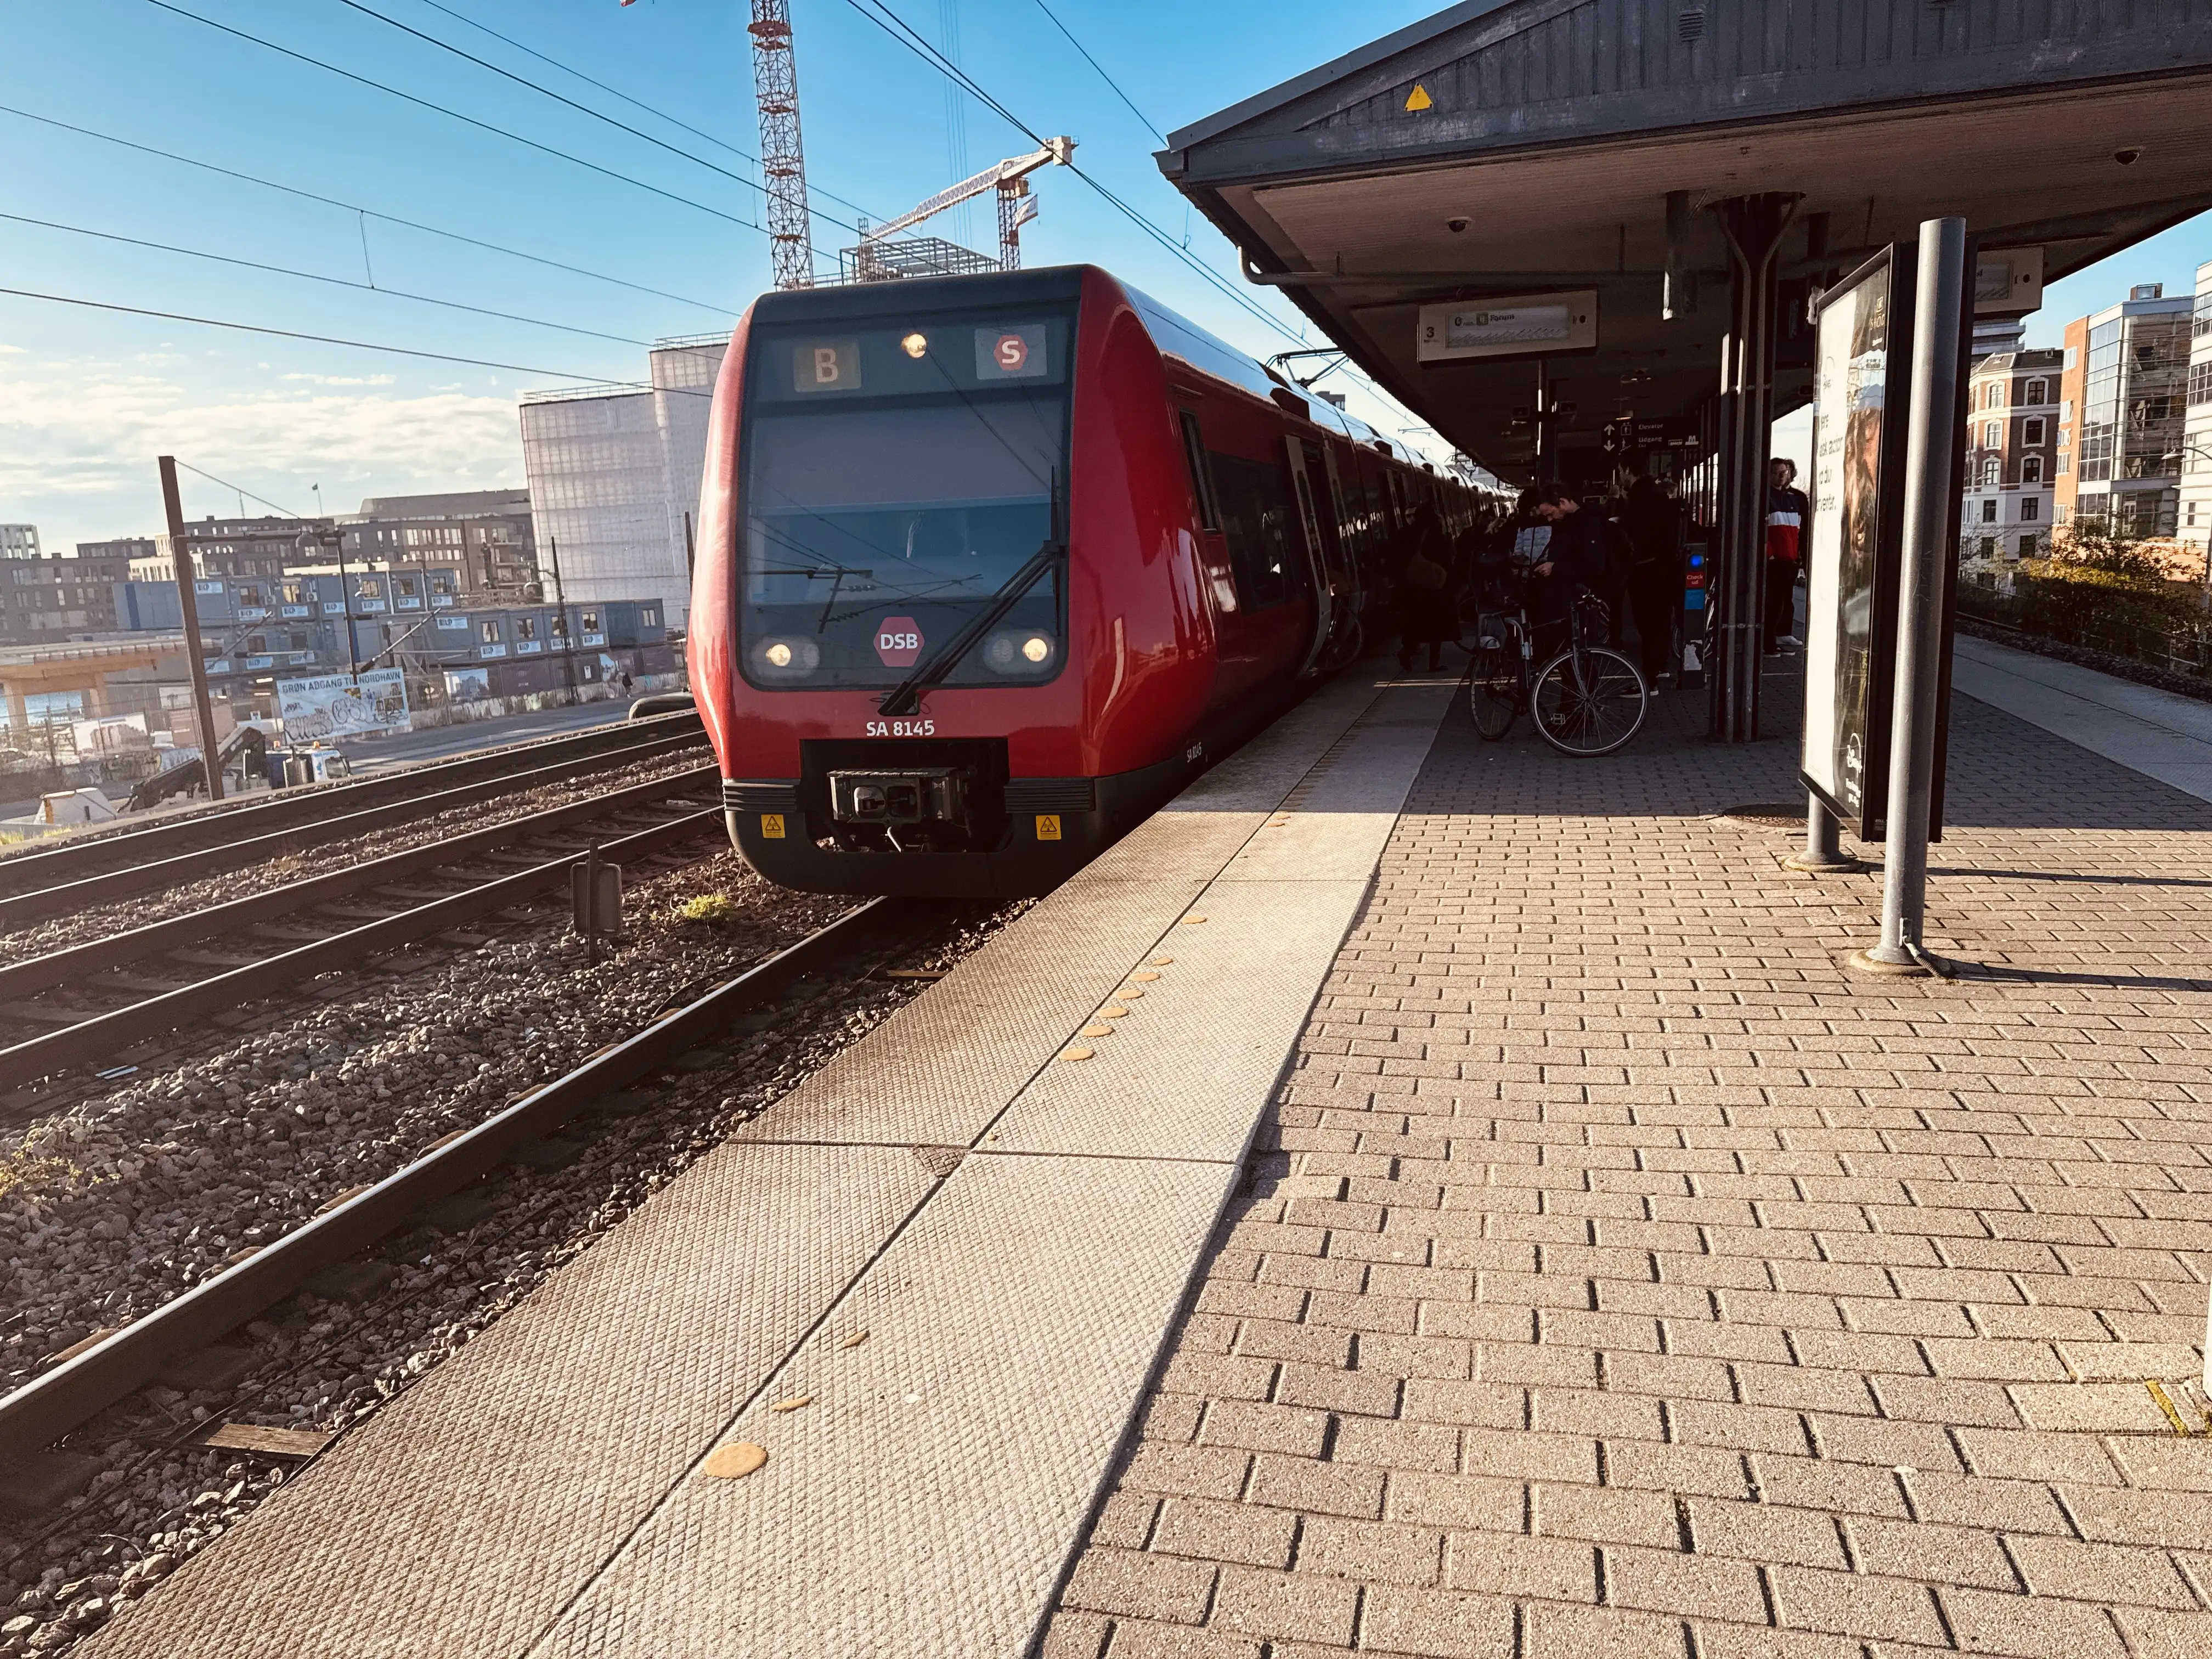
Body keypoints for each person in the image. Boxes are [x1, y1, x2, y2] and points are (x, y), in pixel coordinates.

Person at [1523, 483, 1620, 644]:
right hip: (1566, 599)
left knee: (1580, 649)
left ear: (1562, 503)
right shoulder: (1565, 523)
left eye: (1551, 514)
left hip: (1579, 600)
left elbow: (1593, 566)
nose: (1549, 520)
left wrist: (1555, 568)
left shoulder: (1589, 524)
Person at [1619, 456, 1684, 692]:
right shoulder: (1658, 496)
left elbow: (1633, 533)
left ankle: (1649, 681)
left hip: (1647, 570)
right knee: (1660, 622)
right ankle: (1659, 668)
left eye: (1620, 471)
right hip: (1664, 569)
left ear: (1627, 469)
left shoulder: (1639, 498)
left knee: (1648, 624)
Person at [1394, 498, 1457, 672]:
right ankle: (1434, 663)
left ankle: (1407, 651)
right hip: (1434, 586)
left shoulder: (1404, 534)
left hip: (1413, 586)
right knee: (1436, 625)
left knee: (1415, 622)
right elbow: (1447, 555)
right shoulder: (1434, 532)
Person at [1765, 457, 1811, 653]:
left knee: (1784, 600)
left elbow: (1800, 530)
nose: (1783, 476)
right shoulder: (1766, 497)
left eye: (1785, 472)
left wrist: (1799, 557)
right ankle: (1768, 642)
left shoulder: (1794, 498)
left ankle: (1779, 636)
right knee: (1773, 602)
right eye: (1778, 473)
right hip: (1775, 561)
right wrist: (1770, 555)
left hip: (1789, 559)